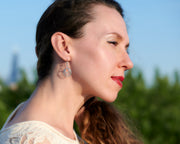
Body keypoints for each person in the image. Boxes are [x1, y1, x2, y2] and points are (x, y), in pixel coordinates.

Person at [0, 0, 142, 143]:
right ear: (63, 46)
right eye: (112, 42)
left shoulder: (29, 123)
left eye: (126, 49)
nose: (128, 63)